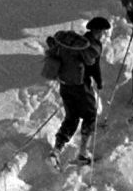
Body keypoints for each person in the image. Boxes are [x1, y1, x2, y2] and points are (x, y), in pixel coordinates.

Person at [44, 16, 111, 162]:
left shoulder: (75, 42)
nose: (103, 34)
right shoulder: (91, 46)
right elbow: (93, 66)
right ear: (98, 31)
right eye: (102, 31)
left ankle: (56, 150)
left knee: (71, 118)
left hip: (65, 84)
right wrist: (99, 82)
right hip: (81, 87)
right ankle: (83, 152)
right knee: (90, 115)